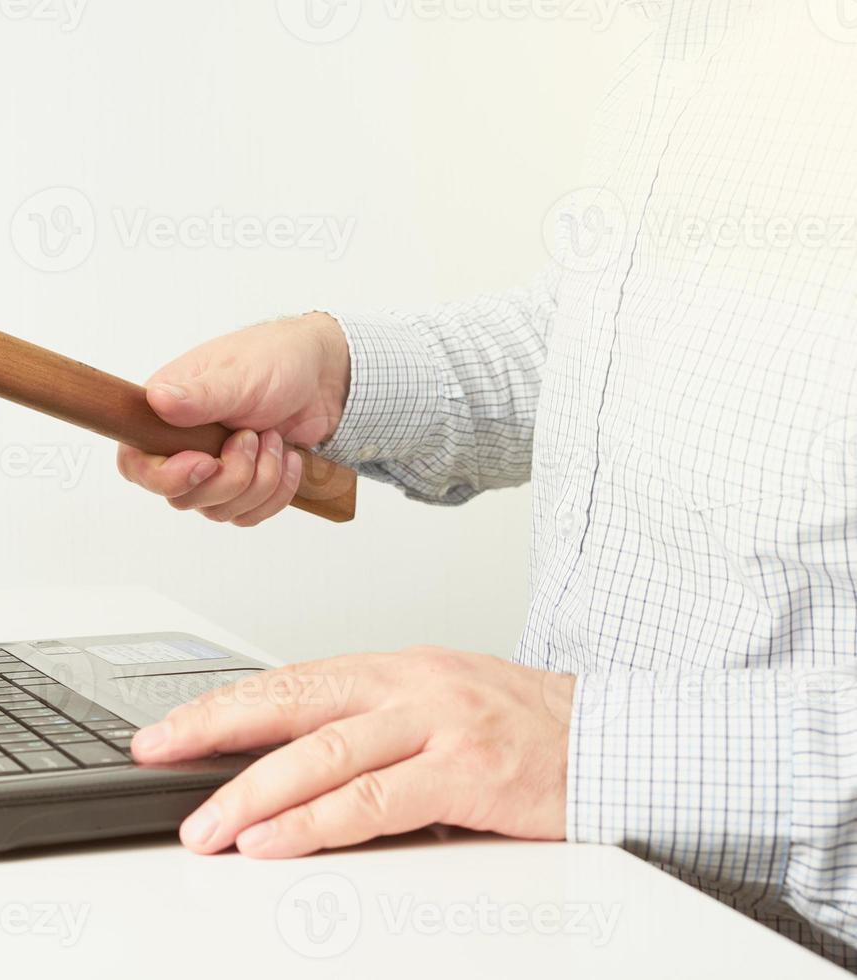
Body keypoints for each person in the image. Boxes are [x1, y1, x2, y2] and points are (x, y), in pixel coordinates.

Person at [123, 1, 857, 967]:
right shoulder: (703, 39)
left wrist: (581, 747)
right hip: (569, 895)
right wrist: (341, 378)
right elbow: (628, 330)